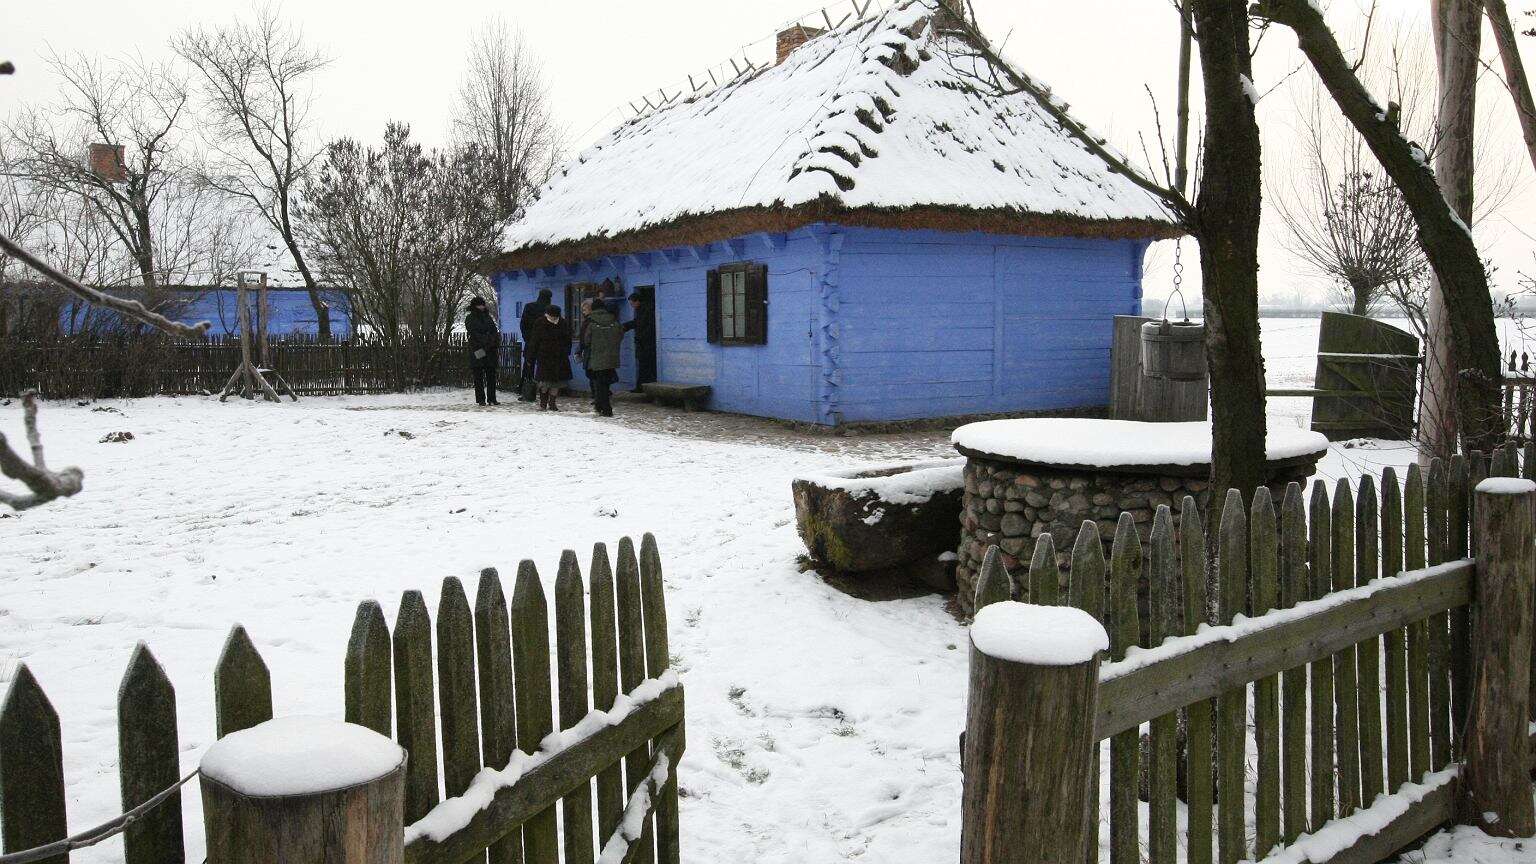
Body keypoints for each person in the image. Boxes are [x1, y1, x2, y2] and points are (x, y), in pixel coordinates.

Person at [583, 297, 625, 417]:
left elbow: (586, 340)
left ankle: (605, 408)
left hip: (596, 357)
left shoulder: (591, 321)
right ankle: (600, 405)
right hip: (611, 357)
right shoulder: (614, 320)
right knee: (606, 382)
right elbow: (620, 335)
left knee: (599, 383)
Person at [529, 304, 572, 411]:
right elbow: (534, 341)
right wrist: (531, 356)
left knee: (556, 382)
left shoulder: (563, 323)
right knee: (544, 382)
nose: (554, 319)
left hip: (559, 356)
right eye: (552, 316)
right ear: (547, 315)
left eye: (556, 317)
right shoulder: (540, 322)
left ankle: (552, 403)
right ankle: (543, 403)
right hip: (544, 356)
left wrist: (566, 351)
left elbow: (568, 339)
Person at [517, 288, 552, 402]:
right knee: (545, 367)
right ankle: (546, 391)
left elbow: (523, 324)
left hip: (531, 342)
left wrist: (528, 338)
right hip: (544, 343)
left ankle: (526, 390)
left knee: (528, 367)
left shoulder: (529, 307)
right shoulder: (549, 309)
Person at [465, 296, 500, 406]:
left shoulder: (488, 317)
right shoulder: (470, 318)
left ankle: (492, 398)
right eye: (480, 305)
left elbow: (494, 331)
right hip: (478, 349)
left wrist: (492, 342)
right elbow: (474, 333)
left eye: (483, 304)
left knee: (491, 375)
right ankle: (481, 399)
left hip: (490, 350)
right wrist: (485, 342)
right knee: (478, 374)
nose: (482, 307)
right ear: (475, 306)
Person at [622, 292, 657, 393]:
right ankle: (642, 386)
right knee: (644, 366)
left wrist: (640, 336)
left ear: (637, 301)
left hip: (646, 344)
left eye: (632, 304)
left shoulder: (646, 310)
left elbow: (641, 324)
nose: (632, 306)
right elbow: (637, 322)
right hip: (644, 343)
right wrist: (626, 326)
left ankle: (643, 387)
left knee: (645, 366)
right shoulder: (642, 310)